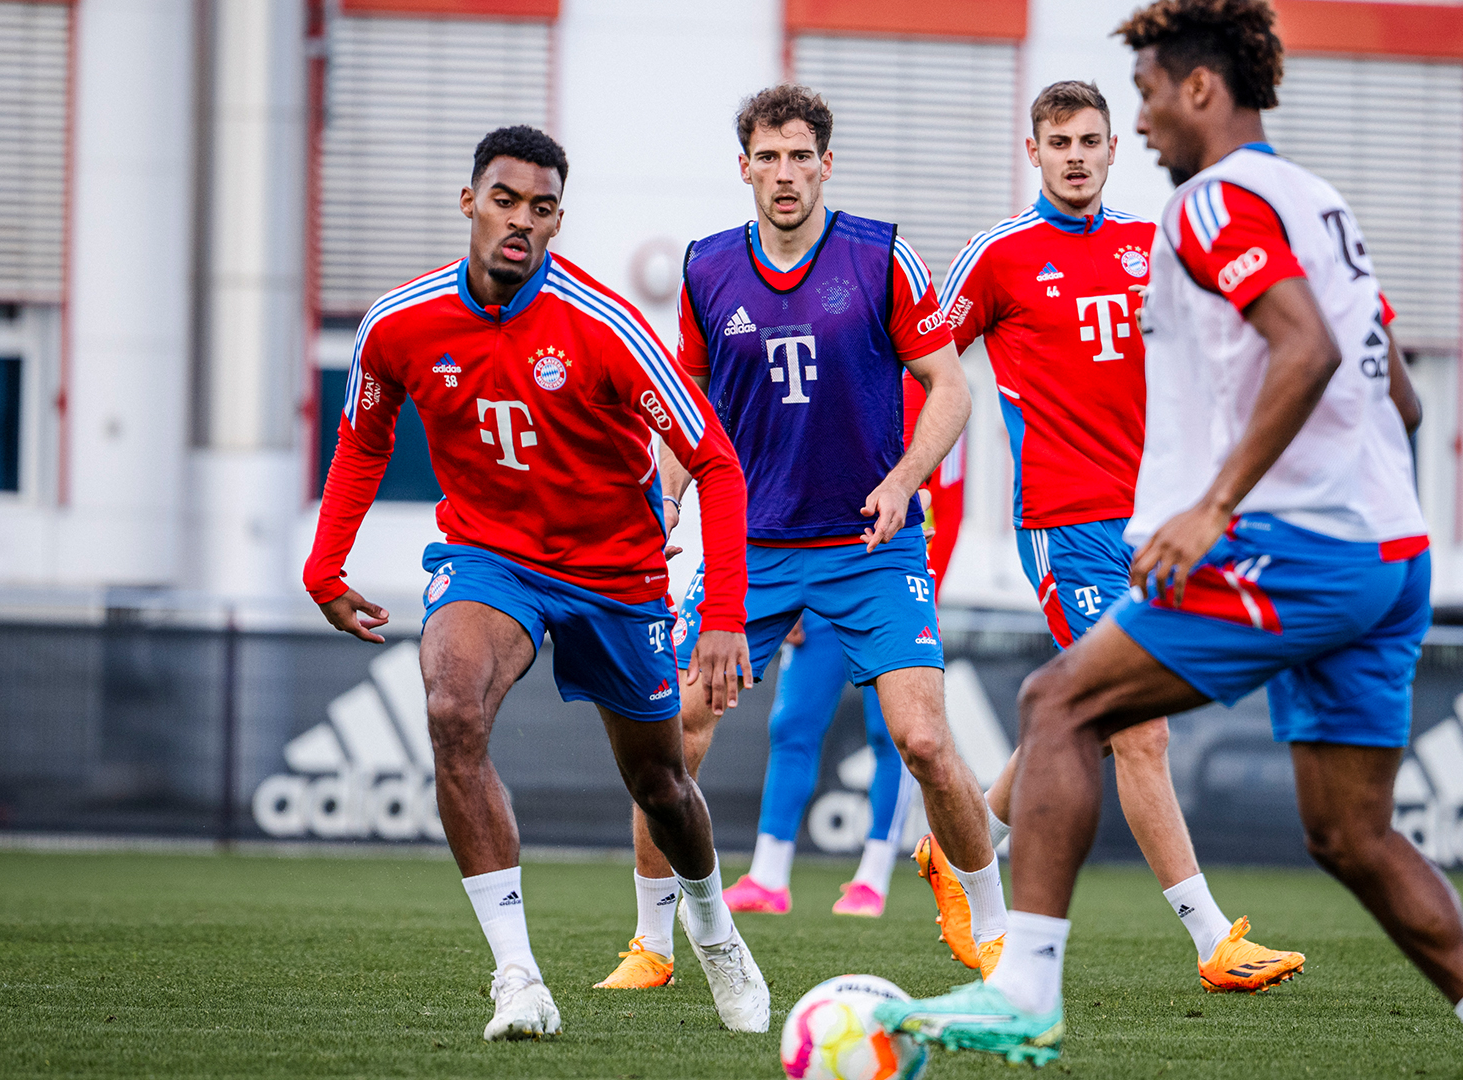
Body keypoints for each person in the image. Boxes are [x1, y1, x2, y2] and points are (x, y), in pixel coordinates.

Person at [880, 5, 1463, 1079]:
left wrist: (1219, 505)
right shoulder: (1319, 201)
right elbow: (1399, 395)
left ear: (1200, 90)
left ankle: (1026, 990)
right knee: (1350, 835)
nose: (1141, 120)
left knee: (1061, 704)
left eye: (1149, 93)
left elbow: (1299, 352)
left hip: (1283, 545)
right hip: (1389, 553)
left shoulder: (1207, 206)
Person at [304, 125, 771, 1039]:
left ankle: (714, 931)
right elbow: (364, 436)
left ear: (560, 220)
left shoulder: (606, 327)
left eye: (543, 208)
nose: (522, 221)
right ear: (470, 201)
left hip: (616, 572)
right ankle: (517, 976)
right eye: (506, 200)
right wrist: (325, 565)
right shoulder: (398, 323)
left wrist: (722, 616)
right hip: (490, 557)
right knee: (451, 709)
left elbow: (715, 463)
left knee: (661, 786)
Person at [596, 85, 1008, 990]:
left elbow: (951, 387)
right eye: (768, 157)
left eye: (800, 156)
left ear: (828, 163)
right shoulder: (707, 269)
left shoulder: (882, 255)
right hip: (754, 547)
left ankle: (994, 925)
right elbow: (687, 411)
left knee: (926, 741)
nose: (785, 174)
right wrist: (663, 501)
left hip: (871, 545)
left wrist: (905, 482)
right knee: (674, 739)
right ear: (744, 167)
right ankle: (654, 945)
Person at [932, 77, 1304, 992]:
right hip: (1066, 522)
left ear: (1110, 148)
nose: (1075, 155)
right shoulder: (998, 257)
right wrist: (903, 479)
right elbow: (925, 366)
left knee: (1089, 714)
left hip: (1156, 526)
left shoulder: (1155, 245)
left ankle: (962, 841)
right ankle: (1214, 939)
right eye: (1058, 141)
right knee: (1139, 730)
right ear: (1035, 151)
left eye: (1090, 140)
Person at [718, 385, 964, 920]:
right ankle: (767, 873)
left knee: (896, 736)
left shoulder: (931, 393)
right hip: (819, 583)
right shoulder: (835, 372)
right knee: (791, 726)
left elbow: (949, 507)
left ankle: (872, 878)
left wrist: (924, 597)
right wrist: (791, 597)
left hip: (887, 586)